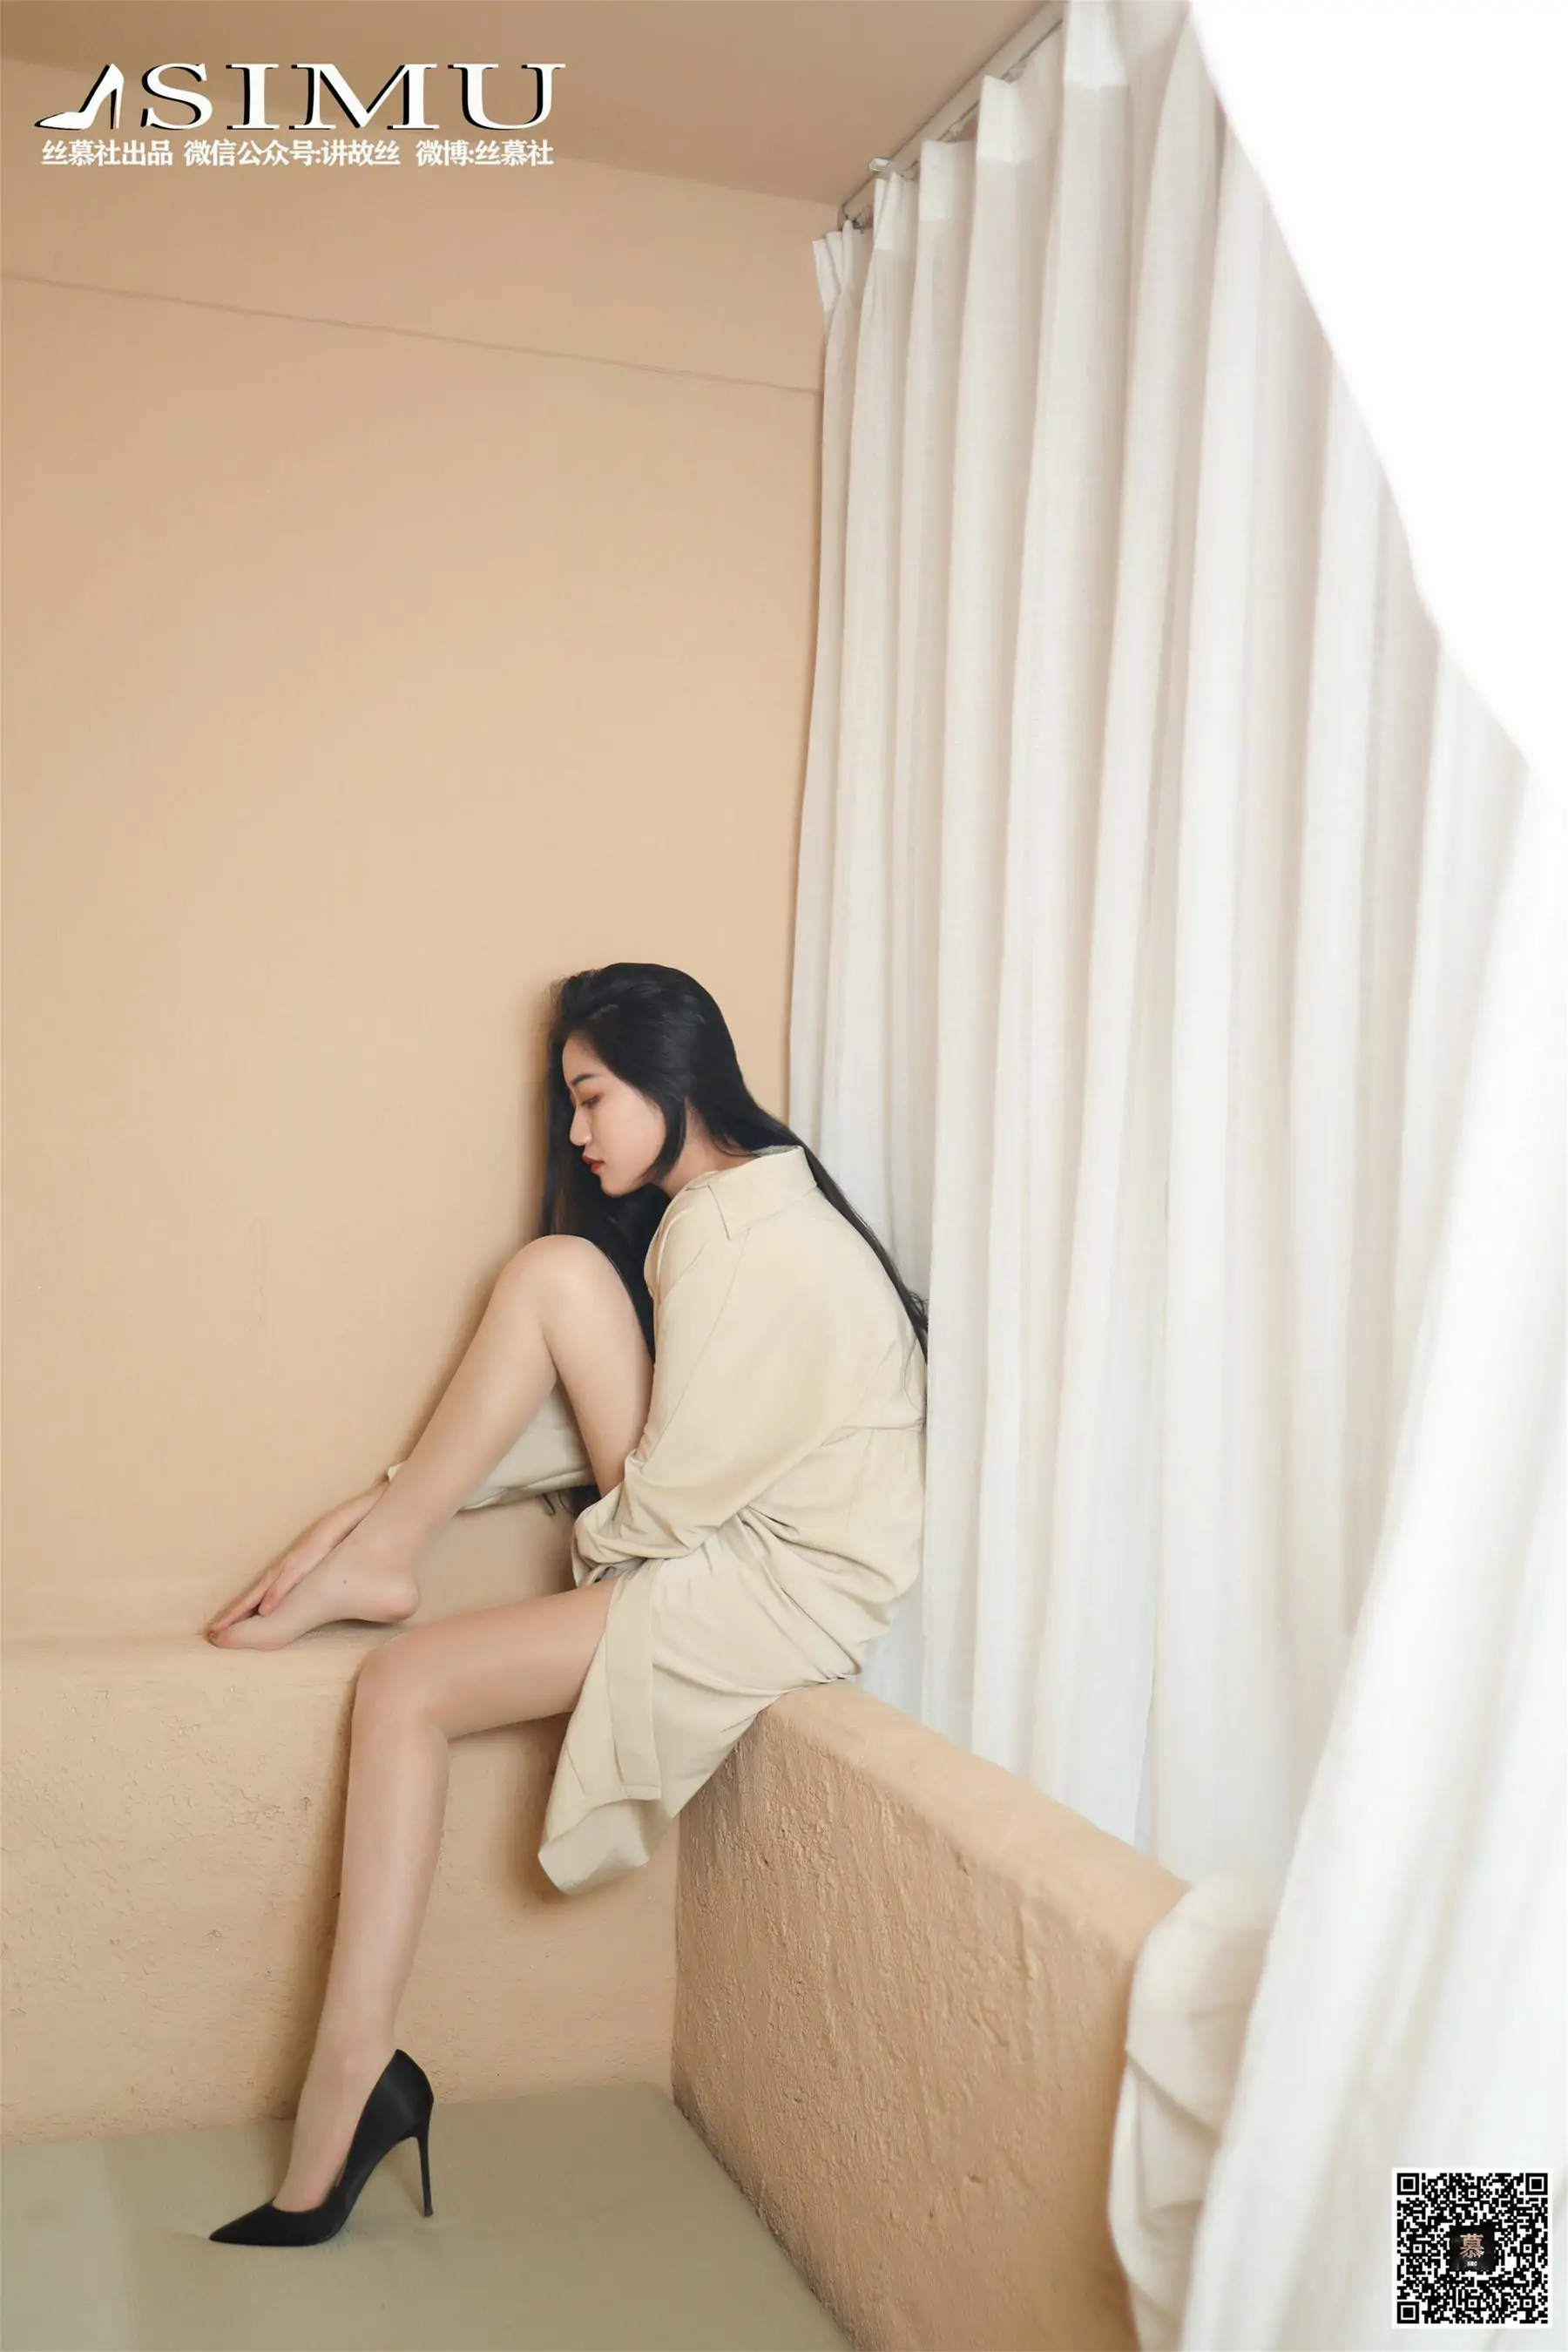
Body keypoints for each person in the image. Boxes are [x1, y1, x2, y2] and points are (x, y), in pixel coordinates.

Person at [203, 962, 929, 2245]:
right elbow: (645, 1439)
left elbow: (667, 1499)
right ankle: (382, 1563)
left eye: (592, 1098)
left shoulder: (745, 1242)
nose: (579, 1132)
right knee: (555, 1275)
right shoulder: (736, 1211)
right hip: (740, 1553)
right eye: (570, 1104)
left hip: (771, 1589)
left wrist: (577, 1548)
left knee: (403, 1684)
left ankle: (350, 2079)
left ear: (672, 1076)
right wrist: (374, 1509)